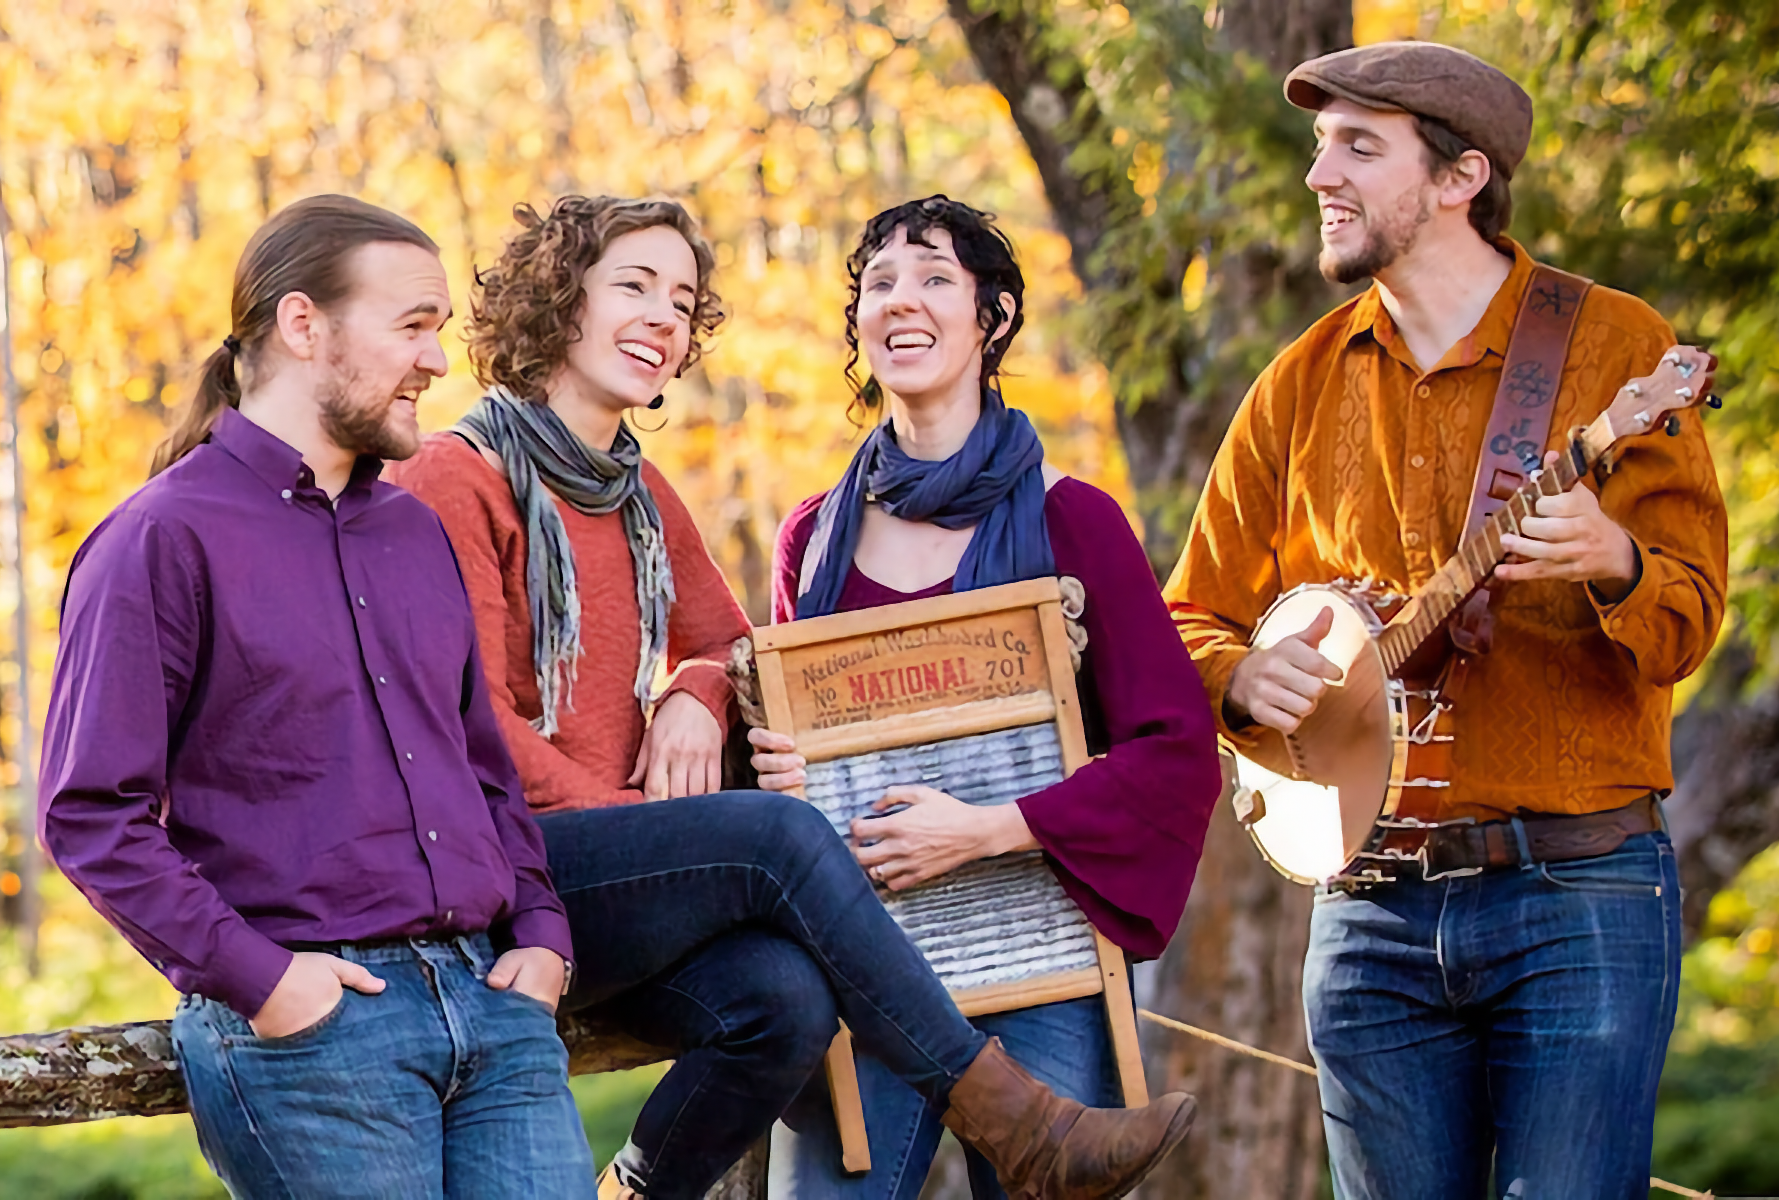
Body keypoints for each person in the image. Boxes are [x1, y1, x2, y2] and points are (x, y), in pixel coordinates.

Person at [391, 193, 1198, 1200]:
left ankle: (635, 1188)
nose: (661, 318)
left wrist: (696, 691)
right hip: (514, 868)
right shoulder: (456, 479)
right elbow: (466, 733)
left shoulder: (639, 498)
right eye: (633, 286)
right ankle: (1020, 1125)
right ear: (560, 300)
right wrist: (684, 825)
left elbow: (735, 652)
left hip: (984, 934)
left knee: (780, 998)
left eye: (681, 302)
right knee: (770, 836)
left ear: (993, 320)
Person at [1164, 43, 1728, 1199]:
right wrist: (1237, 679)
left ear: (1461, 176)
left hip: (1575, 895)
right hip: (1366, 918)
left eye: (1359, 147)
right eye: (1321, 146)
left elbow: (1693, 618)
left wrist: (1617, 563)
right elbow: (1187, 613)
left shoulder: (1616, 351)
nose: (1321, 174)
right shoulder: (1298, 382)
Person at [39, 195, 595, 1199]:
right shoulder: (160, 539)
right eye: (412, 326)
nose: (437, 361)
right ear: (304, 326)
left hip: (492, 1003)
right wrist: (265, 982)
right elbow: (90, 816)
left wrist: (543, 934)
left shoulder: (414, 531)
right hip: (316, 1034)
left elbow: (480, 765)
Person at [750, 195, 1223, 1200]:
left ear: (993, 318)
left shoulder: (1074, 523)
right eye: (879, 281)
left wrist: (988, 828)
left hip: (1037, 955)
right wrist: (782, 769)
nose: (900, 300)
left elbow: (1175, 749)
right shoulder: (810, 540)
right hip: (859, 967)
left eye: (932, 276)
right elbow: (794, 757)